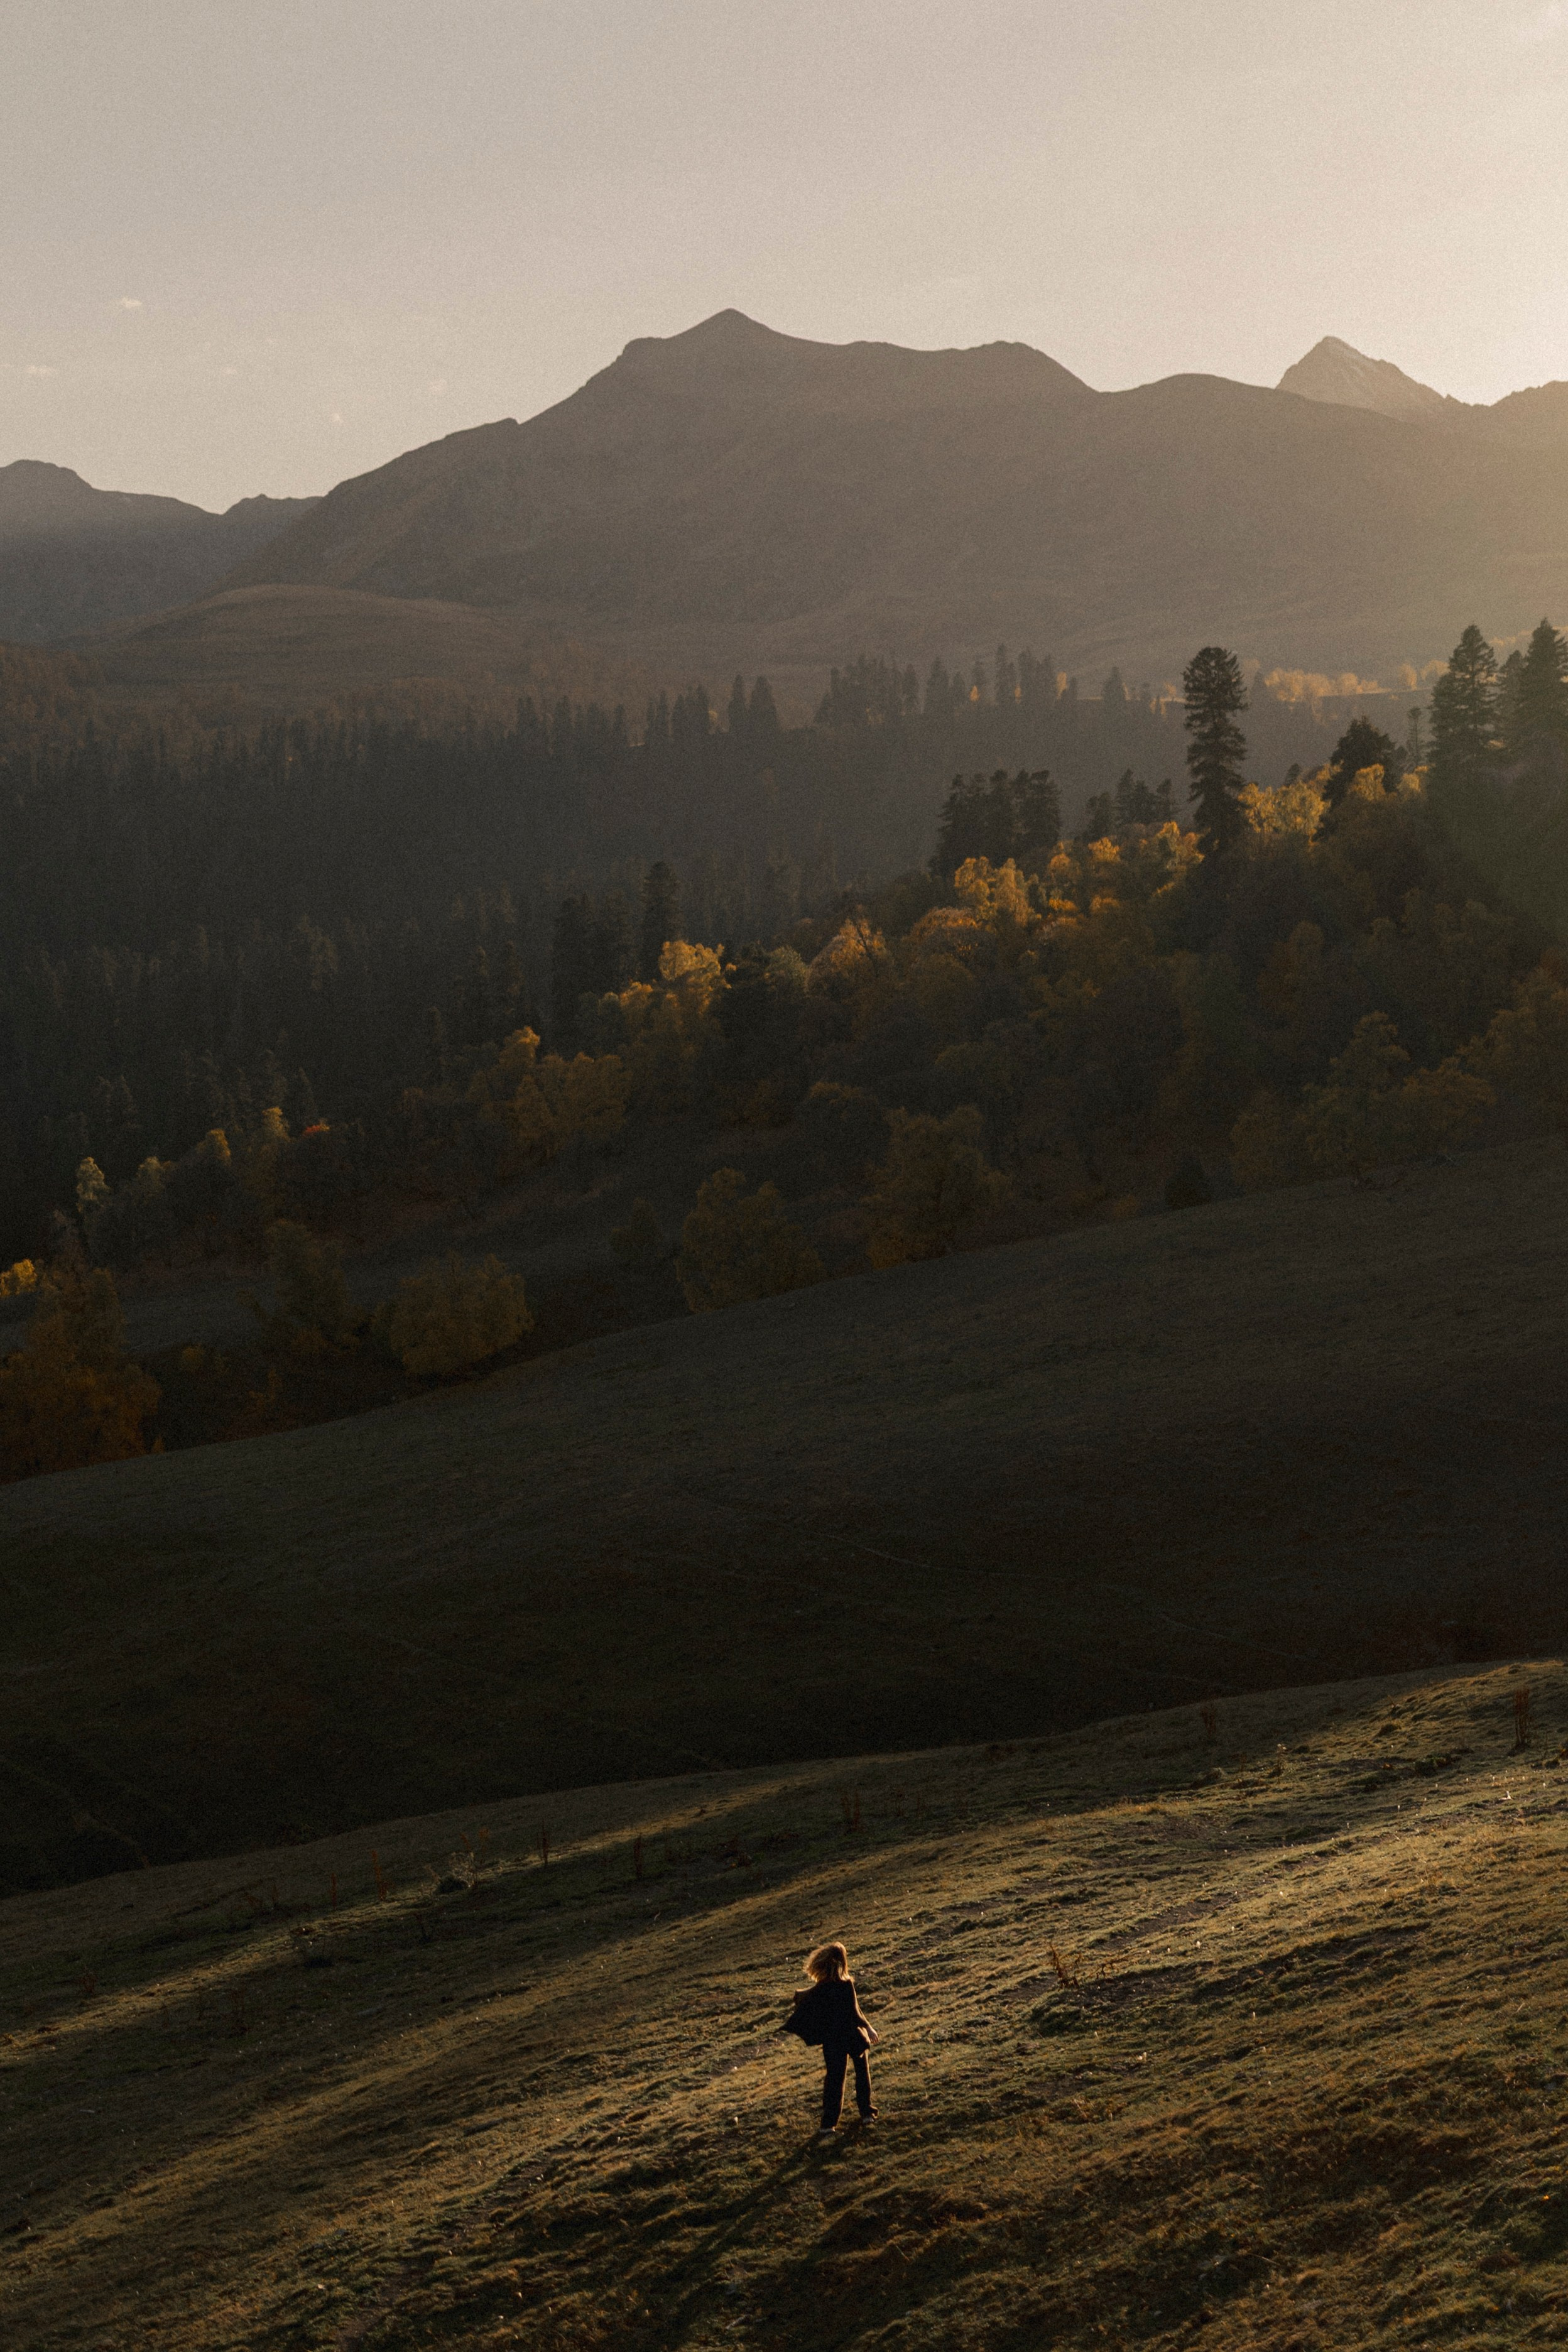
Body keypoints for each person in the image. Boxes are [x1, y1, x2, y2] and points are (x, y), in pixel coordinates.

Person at [781, 1940, 878, 2138]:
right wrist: (868, 2028)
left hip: (833, 2041)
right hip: (853, 2037)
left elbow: (803, 1999)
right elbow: (855, 2013)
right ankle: (867, 2113)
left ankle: (828, 2125)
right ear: (842, 1961)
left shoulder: (821, 1988)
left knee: (834, 2080)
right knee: (862, 2074)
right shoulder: (846, 1985)